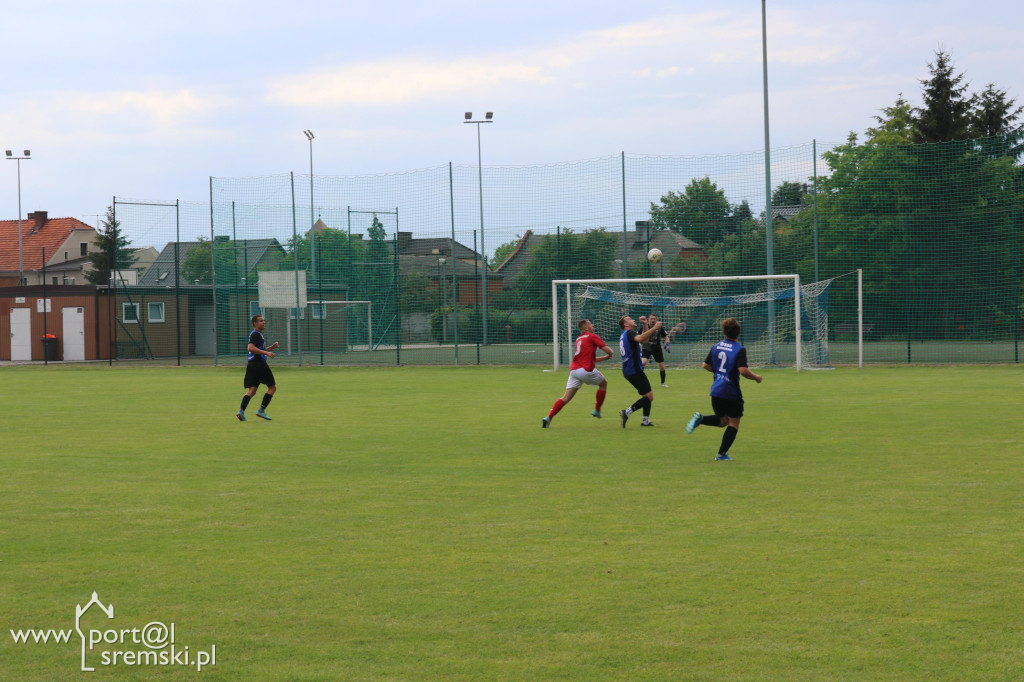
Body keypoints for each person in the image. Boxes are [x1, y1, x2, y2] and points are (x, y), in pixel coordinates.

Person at [685, 317, 762, 460]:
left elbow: (705, 365)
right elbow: (743, 370)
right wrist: (756, 377)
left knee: (723, 421)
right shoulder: (739, 349)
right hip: (731, 391)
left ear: (725, 332)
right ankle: (721, 454)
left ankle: (701, 419)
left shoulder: (717, 346)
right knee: (734, 422)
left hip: (716, 390)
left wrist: (720, 373)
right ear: (738, 333)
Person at [542, 319, 613, 427]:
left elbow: (589, 358)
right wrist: (610, 353)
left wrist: (604, 358)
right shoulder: (592, 336)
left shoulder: (579, 338)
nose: (593, 325)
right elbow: (608, 350)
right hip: (585, 371)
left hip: (574, 371)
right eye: (590, 324)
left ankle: (548, 417)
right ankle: (597, 410)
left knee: (565, 398)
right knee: (603, 384)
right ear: (586, 328)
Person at [617, 315, 662, 428]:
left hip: (629, 370)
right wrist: (654, 328)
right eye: (630, 319)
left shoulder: (625, 335)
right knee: (649, 397)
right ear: (626, 325)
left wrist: (645, 325)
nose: (633, 320)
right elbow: (641, 339)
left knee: (646, 395)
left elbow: (644, 340)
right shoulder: (630, 332)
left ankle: (645, 421)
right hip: (634, 370)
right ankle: (626, 412)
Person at [237, 314, 279, 421]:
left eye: (264, 320)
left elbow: (258, 349)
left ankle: (241, 411)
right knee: (272, 387)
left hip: (252, 365)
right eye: (261, 321)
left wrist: (271, 348)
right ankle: (261, 410)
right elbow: (251, 348)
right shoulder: (256, 334)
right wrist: (266, 353)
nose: (263, 322)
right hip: (259, 364)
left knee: (252, 390)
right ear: (255, 323)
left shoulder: (257, 334)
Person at [639, 313, 671, 387]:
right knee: (643, 362)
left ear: (656, 320)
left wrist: (667, 344)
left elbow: (666, 337)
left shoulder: (659, 327)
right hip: (646, 347)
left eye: (654, 319)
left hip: (657, 348)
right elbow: (639, 336)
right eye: (651, 318)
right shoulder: (644, 327)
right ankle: (639, 380)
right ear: (648, 319)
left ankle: (663, 383)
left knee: (661, 365)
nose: (652, 320)